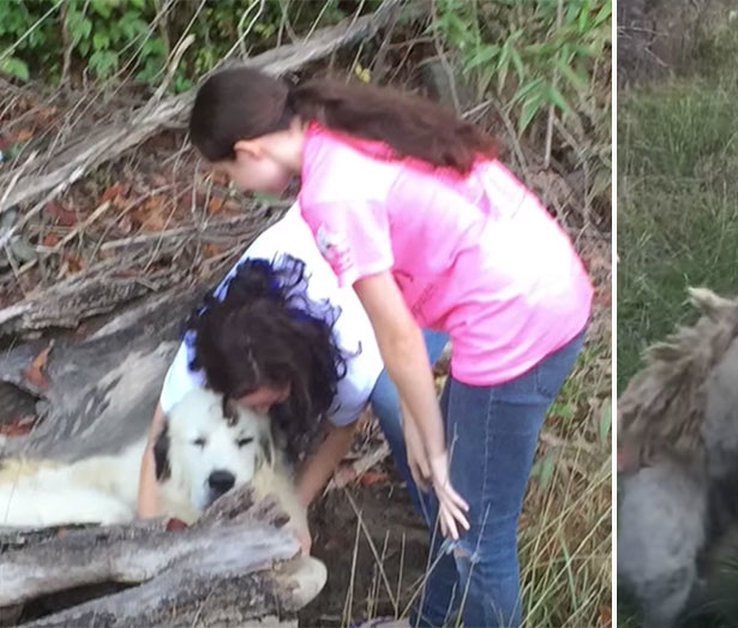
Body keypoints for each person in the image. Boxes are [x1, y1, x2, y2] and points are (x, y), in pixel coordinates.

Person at [185, 66, 594, 628]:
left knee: (477, 536)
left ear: (250, 150)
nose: (238, 186)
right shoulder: (340, 121)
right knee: (457, 517)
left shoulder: (331, 195)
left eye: (229, 173)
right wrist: (428, 432)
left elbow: (396, 334)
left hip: (513, 324)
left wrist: (436, 446)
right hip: (544, 279)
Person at [134, 203, 449, 554]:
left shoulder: (353, 356)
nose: (263, 411)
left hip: (418, 254)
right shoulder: (205, 348)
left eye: (268, 402)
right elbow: (160, 432)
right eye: (252, 404)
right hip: (330, 220)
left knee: (397, 405)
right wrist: (151, 538)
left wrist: (294, 510)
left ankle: (448, 530)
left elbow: (339, 431)